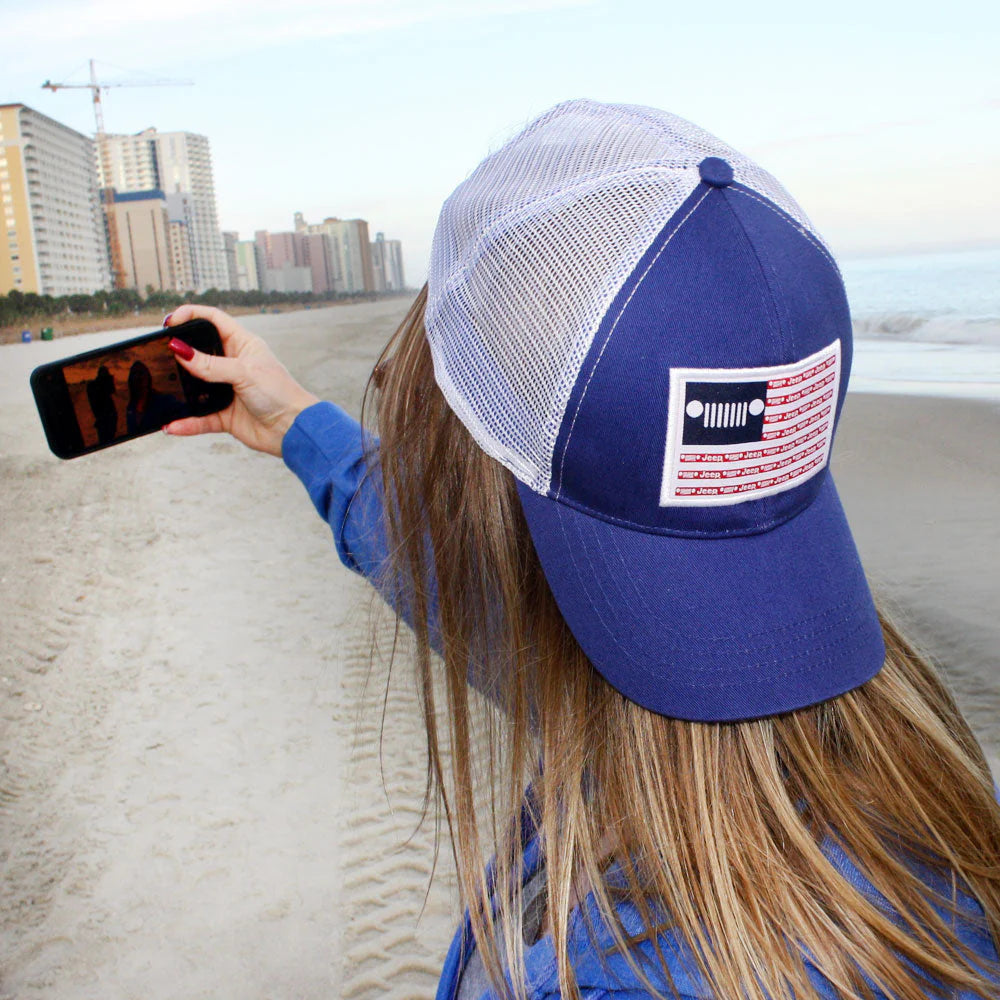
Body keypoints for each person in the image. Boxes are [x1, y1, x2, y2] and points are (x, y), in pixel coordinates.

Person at [162, 101, 1000, 1000]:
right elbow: (452, 581)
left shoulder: (604, 977)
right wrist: (297, 424)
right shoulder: (919, 796)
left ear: (473, 489)